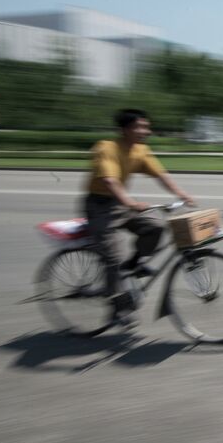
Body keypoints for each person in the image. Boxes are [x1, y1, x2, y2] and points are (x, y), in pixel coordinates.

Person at [85, 109, 195, 325]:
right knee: (112, 256)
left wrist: (181, 194)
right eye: (140, 127)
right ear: (124, 129)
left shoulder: (140, 150)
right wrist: (131, 204)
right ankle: (115, 305)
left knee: (156, 226)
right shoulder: (106, 148)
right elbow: (110, 181)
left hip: (120, 203)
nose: (146, 131)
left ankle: (134, 265)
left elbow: (161, 174)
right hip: (99, 206)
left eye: (146, 126)